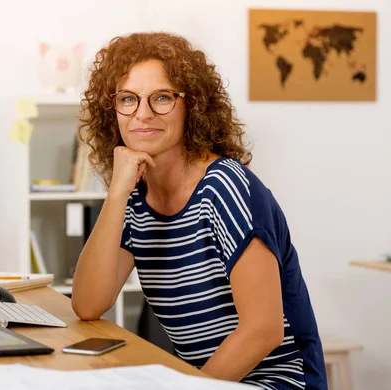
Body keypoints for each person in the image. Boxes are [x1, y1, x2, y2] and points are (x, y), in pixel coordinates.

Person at [71, 32, 327, 389]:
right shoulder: (134, 199)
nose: (142, 114)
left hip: (277, 382)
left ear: (193, 105)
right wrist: (116, 194)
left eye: (162, 97)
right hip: (208, 382)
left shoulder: (225, 187)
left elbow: (262, 331)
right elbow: (87, 304)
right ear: (111, 109)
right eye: (128, 99)